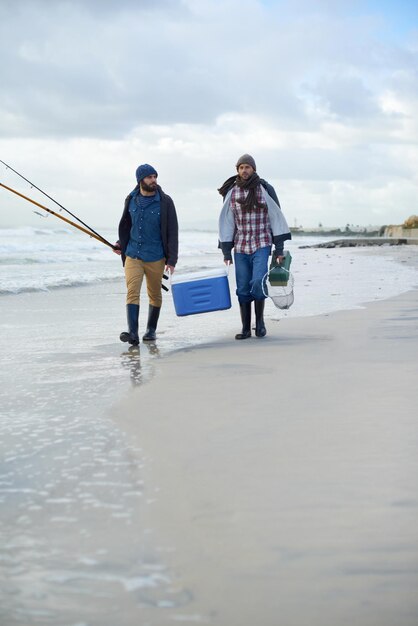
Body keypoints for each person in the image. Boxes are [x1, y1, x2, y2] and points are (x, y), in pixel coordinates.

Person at [218, 154, 291, 340]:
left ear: (254, 169)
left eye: (247, 167)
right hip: (241, 246)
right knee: (242, 287)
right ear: (237, 170)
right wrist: (226, 251)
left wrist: (279, 250)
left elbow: (276, 217)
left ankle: (259, 324)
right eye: (241, 167)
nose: (244, 171)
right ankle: (245, 328)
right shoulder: (232, 192)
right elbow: (227, 222)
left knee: (258, 282)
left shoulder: (265, 189)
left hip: (262, 243)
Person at [114, 164, 178, 345]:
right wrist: (120, 243)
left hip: (156, 256)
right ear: (140, 180)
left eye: (155, 176)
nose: (153, 180)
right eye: (149, 177)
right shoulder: (131, 199)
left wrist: (172, 259)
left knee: (155, 294)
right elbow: (127, 227)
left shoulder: (165, 201)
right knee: (132, 291)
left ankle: (151, 330)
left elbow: (172, 231)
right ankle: (133, 333)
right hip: (133, 254)